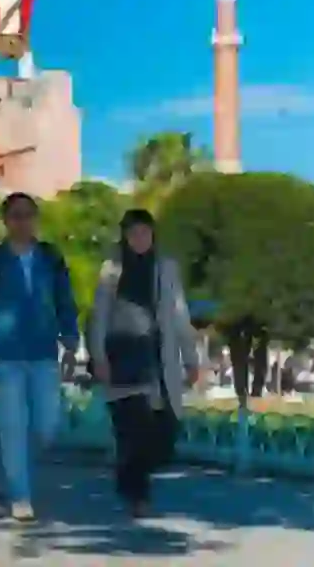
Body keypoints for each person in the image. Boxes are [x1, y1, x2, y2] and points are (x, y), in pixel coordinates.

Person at [0, 192, 79, 521]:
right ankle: (20, 494)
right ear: (5, 220)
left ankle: (16, 471)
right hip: (5, 356)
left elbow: (65, 301)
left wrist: (70, 342)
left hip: (43, 353)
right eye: (16, 215)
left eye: (28, 214)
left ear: (35, 219)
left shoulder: (51, 258)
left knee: (47, 425)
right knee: (12, 426)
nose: (22, 221)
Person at [88, 209, 200, 517]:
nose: (140, 239)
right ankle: (139, 496)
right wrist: (98, 356)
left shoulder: (166, 269)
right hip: (123, 360)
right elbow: (98, 317)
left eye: (145, 233)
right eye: (133, 233)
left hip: (159, 362)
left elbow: (179, 314)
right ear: (124, 236)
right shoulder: (111, 271)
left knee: (163, 436)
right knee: (134, 428)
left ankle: (127, 475)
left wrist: (191, 358)